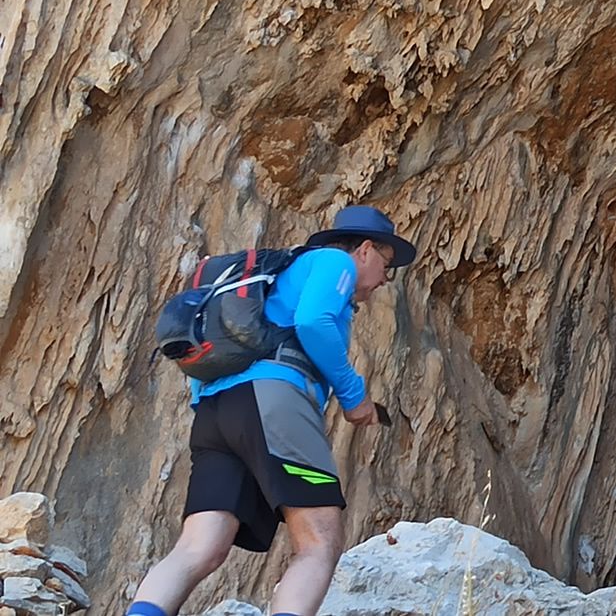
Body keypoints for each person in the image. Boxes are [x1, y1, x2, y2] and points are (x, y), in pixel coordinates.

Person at [127, 205, 416, 616]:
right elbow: (314, 321)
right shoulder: (335, 261)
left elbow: (217, 347)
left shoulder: (274, 279)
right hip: (274, 402)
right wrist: (354, 397)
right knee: (319, 542)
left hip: (214, 411)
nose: (386, 278)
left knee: (200, 545)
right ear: (366, 249)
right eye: (387, 265)